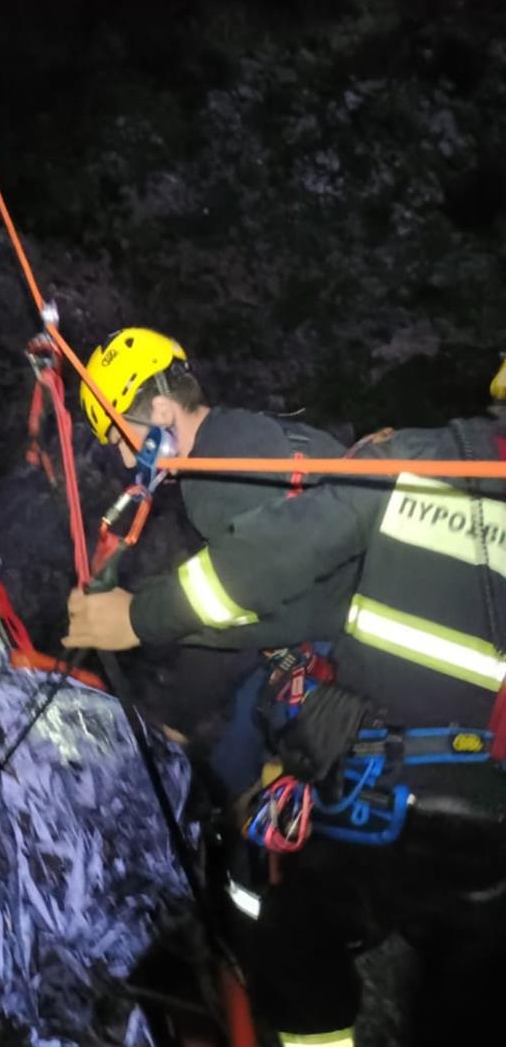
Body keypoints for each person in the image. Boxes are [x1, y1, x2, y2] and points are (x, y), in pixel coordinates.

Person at [65, 365, 506, 1047]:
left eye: (118, 432)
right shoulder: (322, 447)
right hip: (489, 844)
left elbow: (264, 572)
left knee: (293, 943)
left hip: (386, 801)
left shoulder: (403, 461)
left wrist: (135, 617)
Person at [80, 326, 351, 799]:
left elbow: (250, 598)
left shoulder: (210, 482)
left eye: (122, 437)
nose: (126, 461)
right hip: (347, 600)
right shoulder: (251, 429)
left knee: (230, 757)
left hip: (343, 632)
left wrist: (143, 629)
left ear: (162, 413)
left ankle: (243, 831)